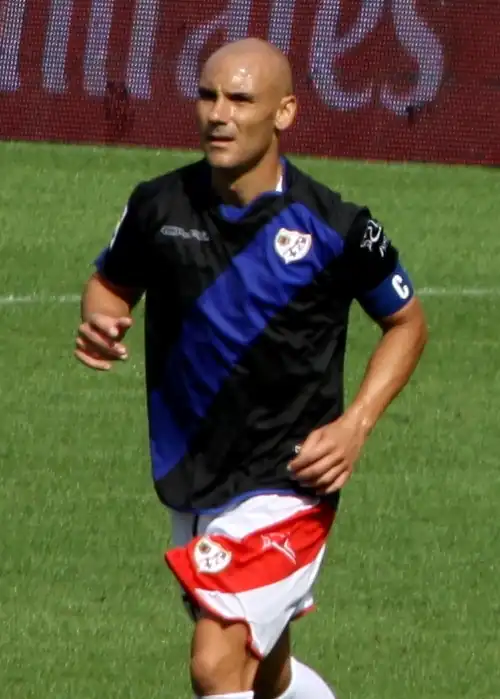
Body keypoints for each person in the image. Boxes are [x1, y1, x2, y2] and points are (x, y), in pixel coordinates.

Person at [74, 37, 428, 699]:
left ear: (284, 112)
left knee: (215, 663)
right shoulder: (158, 206)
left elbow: (407, 323)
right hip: (194, 471)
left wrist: (355, 425)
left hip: (288, 480)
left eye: (239, 99)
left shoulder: (336, 226)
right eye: (208, 96)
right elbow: (111, 284)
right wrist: (101, 318)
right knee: (266, 670)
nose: (219, 114)